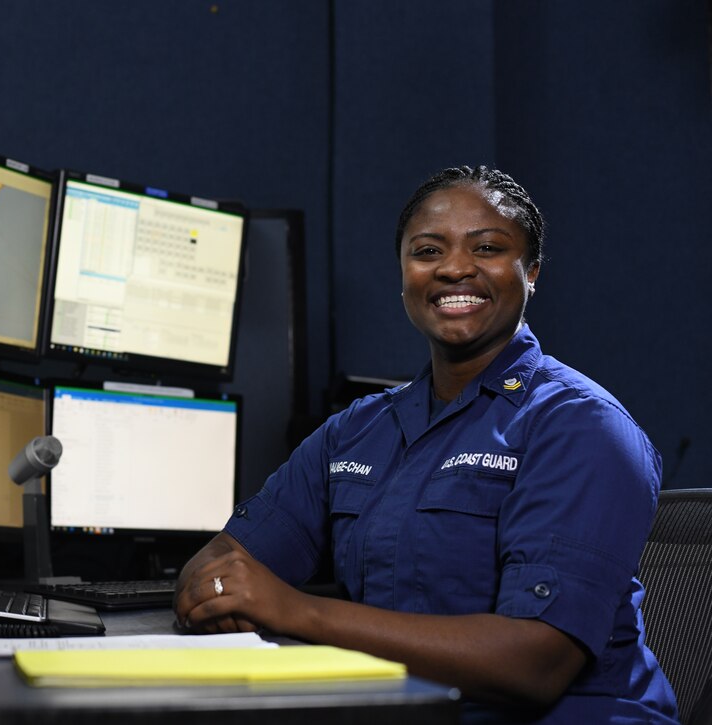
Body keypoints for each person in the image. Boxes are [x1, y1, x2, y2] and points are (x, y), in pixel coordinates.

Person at [173, 166, 679, 723]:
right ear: (404, 274)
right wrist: (220, 595)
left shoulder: (581, 427)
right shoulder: (358, 430)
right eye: (428, 251)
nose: (455, 269)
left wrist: (295, 611)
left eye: (487, 248)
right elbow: (220, 564)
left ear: (531, 272)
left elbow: (533, 666)